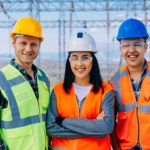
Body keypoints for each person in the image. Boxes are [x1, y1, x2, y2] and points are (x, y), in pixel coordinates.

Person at [46, 31, 115, 150]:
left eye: (85, 58)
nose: (79, 63)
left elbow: (106, 127)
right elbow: (51, 128)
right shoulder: (58, 91)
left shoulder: (106, 91)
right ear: (69, 61)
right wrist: (93, 128)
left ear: (93, 60)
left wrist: (62, 121)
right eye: (74, 57)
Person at [0, 16, 51, 150]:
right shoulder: (1, 79)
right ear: (13, 43)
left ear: (39, 45)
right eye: (23, 43)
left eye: (33, 44)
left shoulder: (43, 78)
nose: (28, 49)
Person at [110, 18, 150, 150]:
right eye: (126, 45)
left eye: (137, 44)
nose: (131, 50)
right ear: (120, 49)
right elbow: (110, 124)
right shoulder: (114, 82)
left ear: (145, 47)